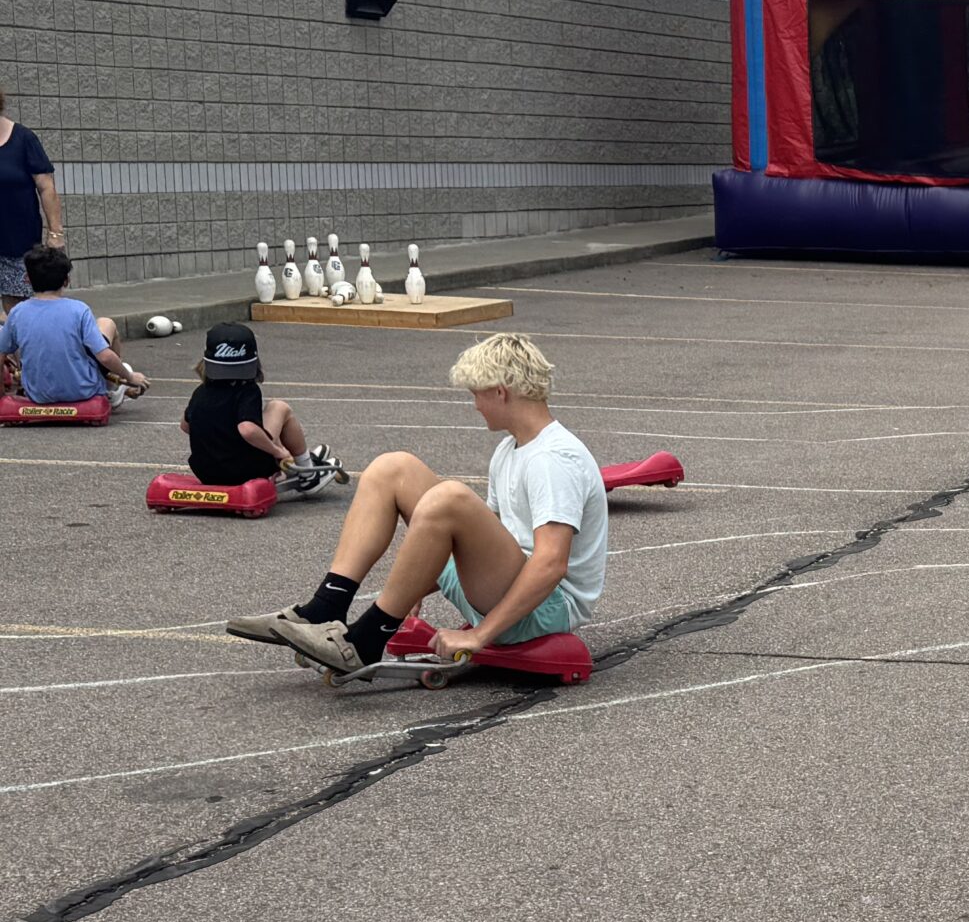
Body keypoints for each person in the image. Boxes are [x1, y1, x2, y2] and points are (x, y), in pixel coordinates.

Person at [227, 332, 608, 675]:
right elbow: (484, 546)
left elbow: (550, 563)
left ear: (500, 391)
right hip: (503, 587)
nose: (475, 405)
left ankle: (367, 639)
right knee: (391, 468)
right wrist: (411, 589)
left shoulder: (553, 458)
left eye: (475, 393)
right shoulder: (511, 449)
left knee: (451, 498)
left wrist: (478, 636)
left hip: (545, 610)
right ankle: (326, 606)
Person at [179, 323, 344, 491]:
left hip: (207, 472)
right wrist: (278, 452)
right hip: (246, 471)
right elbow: (248, 429)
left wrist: (218, 439)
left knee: (260, 430)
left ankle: (296, 462)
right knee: (279, 408)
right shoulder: (247, 391)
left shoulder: (200, 392)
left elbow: (185, 426)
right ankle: (307, 471)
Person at [0, 246, 146, 406]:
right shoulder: (79, 310)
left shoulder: (17, 313)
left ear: (27, 279)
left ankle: (112, 382)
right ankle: (112, 386)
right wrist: (130, 377)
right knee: (106, 323)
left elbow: (1, 355)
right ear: (66, 281)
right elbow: (104, 356)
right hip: (83, 390)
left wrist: (2, 395)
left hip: (38, 393)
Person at [0, 85, 63, 315]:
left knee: (18, 310)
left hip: (18, 243)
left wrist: (55, 233)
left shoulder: (23, 139)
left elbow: (46, 188)